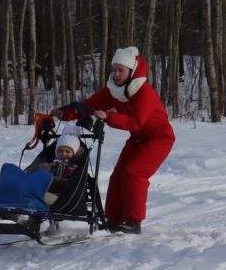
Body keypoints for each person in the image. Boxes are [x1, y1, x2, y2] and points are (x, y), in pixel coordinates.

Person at [51, 46, 175, 234]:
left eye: (121, 70)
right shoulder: (113, 90)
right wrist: (65, 113)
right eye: (114, 69)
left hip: (159, 138)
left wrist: (108, 117)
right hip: (138, 138)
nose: (116, 74)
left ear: (131, 71)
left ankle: (134, 223)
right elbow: (89, 106)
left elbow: (136, 122)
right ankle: (115, 220)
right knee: (117, 175)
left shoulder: (144, 92)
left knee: (133, 173)